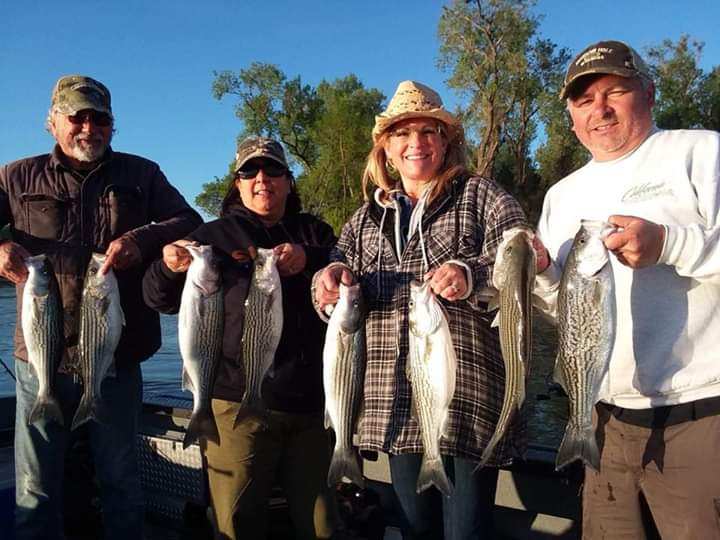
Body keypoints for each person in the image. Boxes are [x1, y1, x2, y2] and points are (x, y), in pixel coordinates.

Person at [313, 80, 529, 539]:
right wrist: (326, 284)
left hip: (469, 398)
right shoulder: (363, 219)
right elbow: (337, 271)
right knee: (413, 531)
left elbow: (521, 253)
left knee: (466, 533)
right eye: (402, 134)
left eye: (428, 132)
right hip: (391, 403)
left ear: (445, 141)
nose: (416, 144)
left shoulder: (480, 196)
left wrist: (470, 273)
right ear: (386, 149)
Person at [0, 75, 202, 539]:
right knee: (35, 487)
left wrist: (140, 239)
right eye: (77, 117)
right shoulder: (14, 176)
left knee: (121, 480)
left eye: (100, 119)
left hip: (118, 355)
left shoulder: (141, 173)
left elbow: (188, 219)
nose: (88, 128)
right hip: (38, 361)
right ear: (52, 122)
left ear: (113, 126)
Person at [534, 40, 720, 539]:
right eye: (583, 100)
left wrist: (669, 244)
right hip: (602, 420)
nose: (600, 109)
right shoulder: (562, 195)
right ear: (571, 115)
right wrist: (544, 274)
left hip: (700, 413)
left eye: (615, 91)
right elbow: (562, 312)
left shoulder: (701, 152)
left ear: (649, 93)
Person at [142, 136, 339, 540]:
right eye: (250, 171)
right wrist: (168, 266)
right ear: (238, 182)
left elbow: (351, 271)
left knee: (323, 524)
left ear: (288, 181)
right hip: (232, 404)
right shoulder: (212, 236)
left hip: (311, 406)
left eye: (273, 170)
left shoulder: (316, 232)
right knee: (235, 523)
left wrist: (311, 259)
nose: (261, 179)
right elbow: (157, 299)